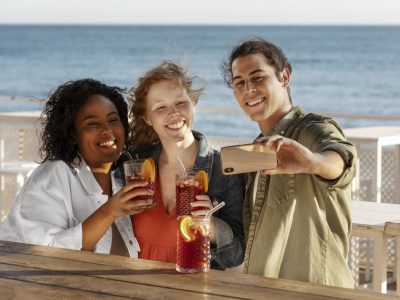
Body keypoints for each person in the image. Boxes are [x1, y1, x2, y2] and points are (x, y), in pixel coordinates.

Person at [222, 38, 357, 287]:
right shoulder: (258, 149)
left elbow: (341, 161)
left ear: (284, 77)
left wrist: (313, 163)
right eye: (239, 83)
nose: (248, 89)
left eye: (258, 77)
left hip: (316, 291)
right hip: (266, 289)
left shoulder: (312, 129)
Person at [0, 79, 153, 257]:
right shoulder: (54, 175)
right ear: (72, 135)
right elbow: (46, 253)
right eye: (92, 124)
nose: (107, 130)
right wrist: (110, 211)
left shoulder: (118, 184)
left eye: (113, 120)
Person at [124, 61, 245, 269]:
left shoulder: (224, 170)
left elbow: (237, 255)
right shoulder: (134, 164)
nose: (174, 113)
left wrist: (212, 226)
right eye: (160, 107)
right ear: (148, 118)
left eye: (181, 103)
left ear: (193, 104)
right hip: (134, 286)